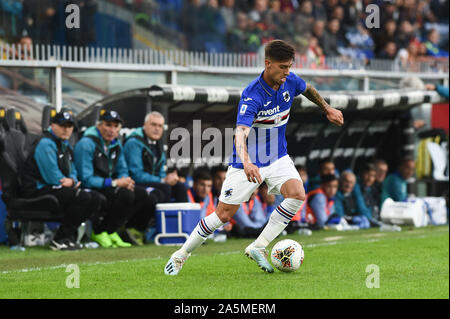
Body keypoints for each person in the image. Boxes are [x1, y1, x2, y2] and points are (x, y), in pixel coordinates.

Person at [164, 39, 344, 275]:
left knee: (297, 194)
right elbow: (240, 133)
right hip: (247, 162)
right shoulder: (252, 96)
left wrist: (327, 108)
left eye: (289, 66)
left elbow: (308, 89)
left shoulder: (289, 81)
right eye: (282, 67)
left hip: (278, 157)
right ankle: (180, 255)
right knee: (223, 216)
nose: (287, 72)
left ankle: (258, 246)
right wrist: (247, 162)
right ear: (268, 64)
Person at [74, 110, 161, 248]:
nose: (112, 130)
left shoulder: (116, 144)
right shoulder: (86, 143)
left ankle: (112, 230)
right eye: (108, 125)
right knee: (125, 194)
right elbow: (85, 179)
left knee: (143, 194)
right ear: (99, 125)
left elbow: (123, 169)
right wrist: (114, 182)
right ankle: (100, 231)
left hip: (109, 186)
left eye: (116, 126)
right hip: (92, 188)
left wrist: (125, 181)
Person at [21, 111, 102, 251]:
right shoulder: (45, 143)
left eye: (70, 126)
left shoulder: (65, 145)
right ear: (52, 125)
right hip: (38, 189)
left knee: (96, 198)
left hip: (57, 187)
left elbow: (73, 170)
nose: (66, 129)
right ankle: (60, 239)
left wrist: (72, 180)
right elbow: (51, 177)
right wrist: (70, 182)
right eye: (62, 125)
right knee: (82, 197)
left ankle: (68, 237)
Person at [123, 111, 187, 203]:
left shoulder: (158, 143)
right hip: (135, 183)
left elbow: (160, 171)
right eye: (153, 125)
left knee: (180, 187)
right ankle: (162, 217)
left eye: (160, 126)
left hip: (154, 182)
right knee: (165, 188)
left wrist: (169, 179)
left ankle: (183, 217)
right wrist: (163, 180)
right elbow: (136, 175)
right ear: (144, 125)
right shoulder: (133, 142)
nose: (157, 129)